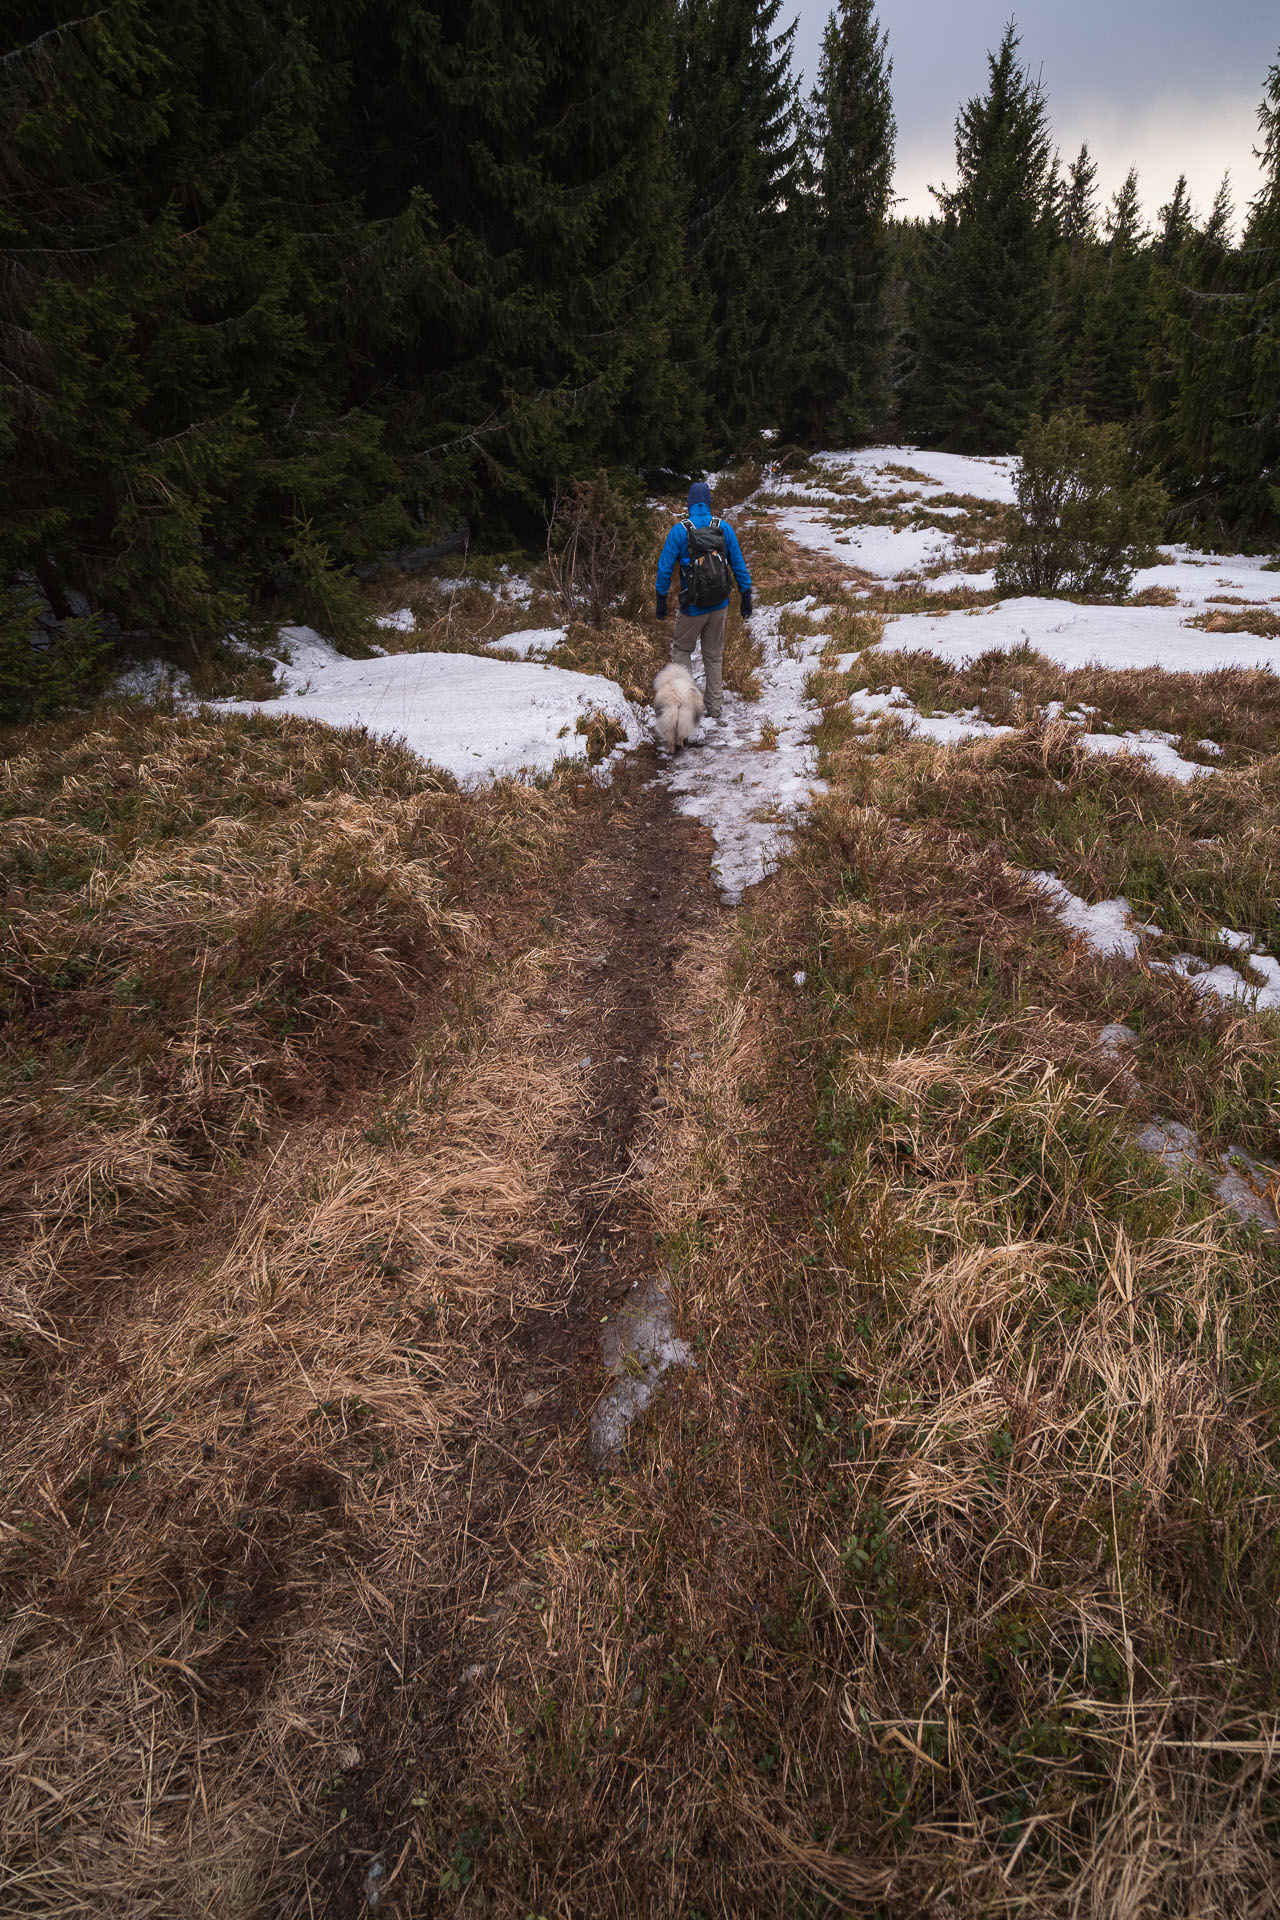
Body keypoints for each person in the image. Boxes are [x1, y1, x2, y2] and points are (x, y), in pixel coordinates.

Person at [654, 481, 752, 725]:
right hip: (720, 604)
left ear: (689, 504)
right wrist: (746, 595)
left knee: (682, 651)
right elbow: (738, 564)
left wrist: (661, 599)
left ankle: (685, 706)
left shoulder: (679, 531)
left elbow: (665, 568)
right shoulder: (724, 528)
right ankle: (715, 708)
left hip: (692, 607)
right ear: (709, 503)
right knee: (713, 655)